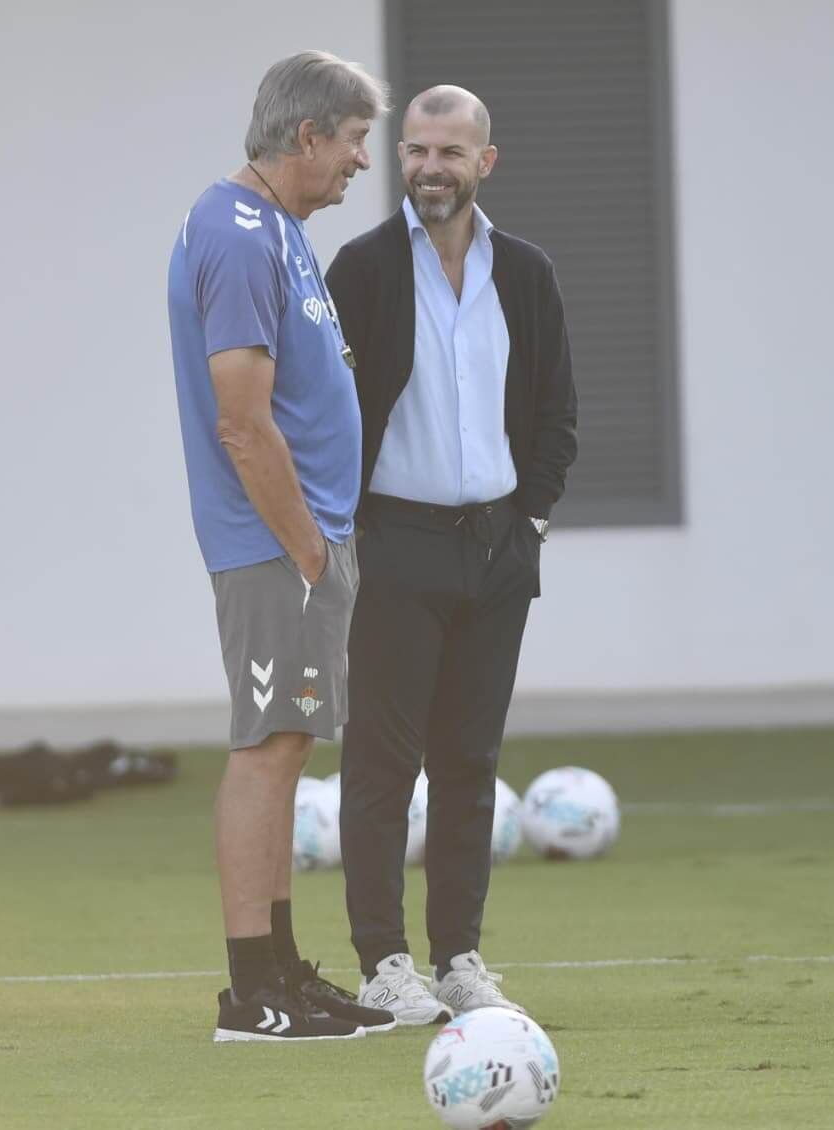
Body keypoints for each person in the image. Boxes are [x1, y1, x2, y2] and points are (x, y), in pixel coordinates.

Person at [325, 85, 579, 1023]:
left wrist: (534, 519)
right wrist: (342, 530)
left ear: (485, 162)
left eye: (449, 152)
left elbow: (556, 411)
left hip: (497, 546)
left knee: (469, 761)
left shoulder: (526, 270)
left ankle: (460, 957)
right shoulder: (360, 269)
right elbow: (324, 414)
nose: (430, 167)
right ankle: (384, 963)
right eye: (415, 150)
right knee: (382, 764)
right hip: (394, 542)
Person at [166, 50, 396, 1042]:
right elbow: (241, 421)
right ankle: (249, 991)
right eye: (351, 142)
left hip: (304, 541)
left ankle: (283, 973)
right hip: (274, 546)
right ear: (307, 133)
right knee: (266, 747)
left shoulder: (280, 230)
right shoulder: (236, 230)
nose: (358, 164)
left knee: (288, 743)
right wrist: (308, 548)